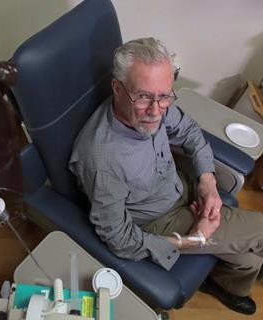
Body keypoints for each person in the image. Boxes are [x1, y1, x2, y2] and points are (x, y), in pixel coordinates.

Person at [69, 37, 263, 315]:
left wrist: (206, 180)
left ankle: (223, 285)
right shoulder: (102, 160)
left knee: (248, 262)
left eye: (164, 96)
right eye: (144, 96)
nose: (156, 111)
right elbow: (120, 241)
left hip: (182, 188)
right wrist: (192, 240)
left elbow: (192, 133)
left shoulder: (156, 105)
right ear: (117, 88)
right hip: (157, 221)